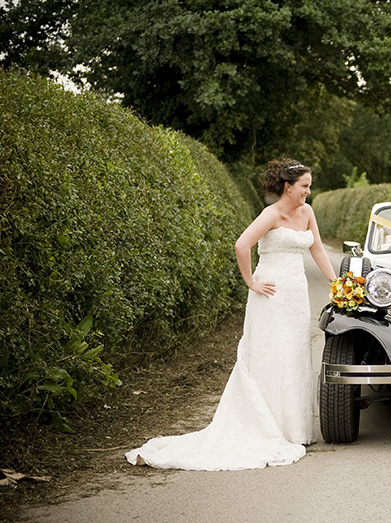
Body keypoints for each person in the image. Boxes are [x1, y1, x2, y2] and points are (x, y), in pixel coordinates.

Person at [126, 158, 337, 470]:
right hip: (271, 294)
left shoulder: (306, 212)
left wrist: (337, 284)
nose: (309, 191)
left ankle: (294, 429)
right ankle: (268, 428)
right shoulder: (271, 214)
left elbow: (317, 248)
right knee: (270, 355)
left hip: (296, 295)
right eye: (304, 186)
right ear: (287, 186)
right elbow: (242, 245)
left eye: (309, 185)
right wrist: (251, 281)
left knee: (293, 353)